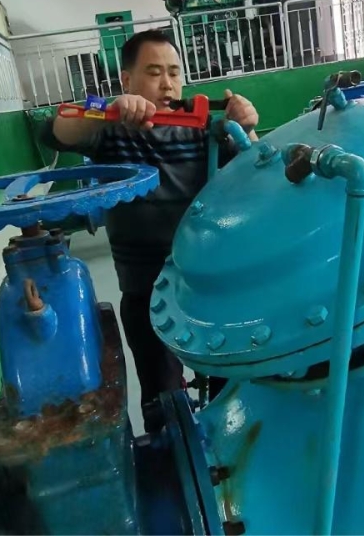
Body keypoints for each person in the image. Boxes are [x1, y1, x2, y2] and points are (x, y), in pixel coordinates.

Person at [41, 30, 259, 428]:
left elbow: (255, 167)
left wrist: (245, 125)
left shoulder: (203, 125)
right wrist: (110, 108)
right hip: (145, 291)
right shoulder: (109, 127)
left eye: (174, 72)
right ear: (127, 80)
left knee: (233, 388)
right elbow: (59, 127)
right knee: (163, 399)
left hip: (205, 284)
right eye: (155, 72)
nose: (167, 84)